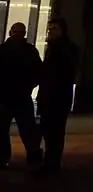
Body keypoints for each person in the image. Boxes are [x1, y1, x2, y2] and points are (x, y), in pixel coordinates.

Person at [36, 19, 77, 175]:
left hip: (56, 97)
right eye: (50, 28)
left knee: (53, 132)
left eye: (54, 28)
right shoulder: (59, 47)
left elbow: (59, 74)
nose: (51, 31)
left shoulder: (61, 49)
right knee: (52, 132)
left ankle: (51, 165)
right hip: (55, 96)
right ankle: (51, 163)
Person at [0, 23, 42, 168]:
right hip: (22, 95)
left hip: (5, 96)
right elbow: (38, 73)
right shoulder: (30, 51)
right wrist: (29, 86)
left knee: (2, 128)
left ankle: (3, 157)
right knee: (27, 128)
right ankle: (33, 156)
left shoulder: (3, 50)